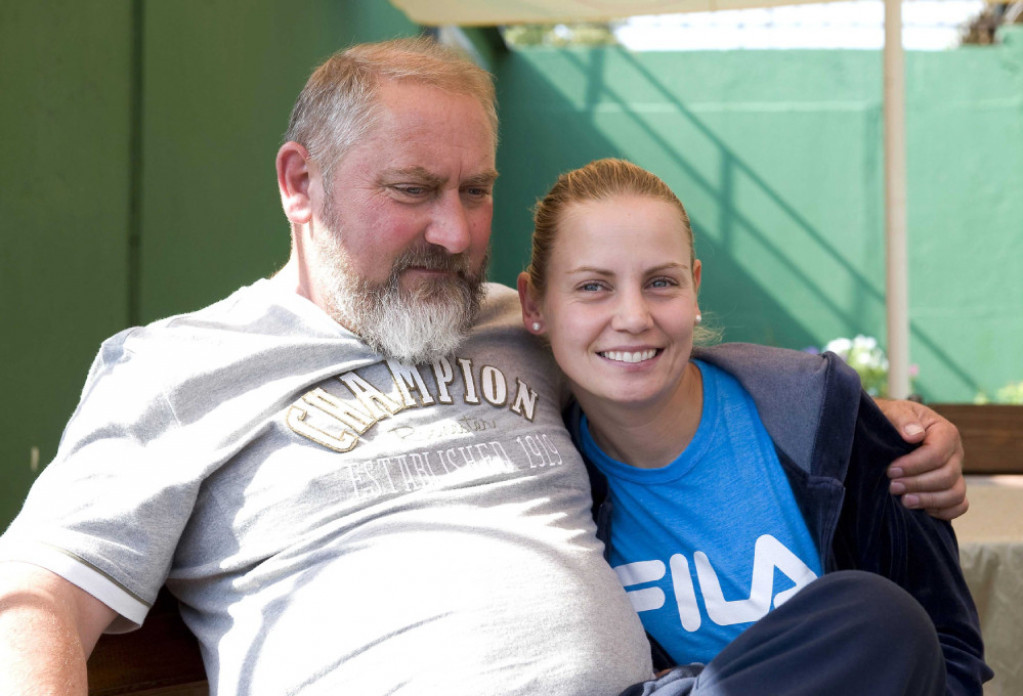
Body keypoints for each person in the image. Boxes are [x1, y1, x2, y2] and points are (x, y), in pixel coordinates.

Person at [0, 39, 967, 696]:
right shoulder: (179, 368)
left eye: (475, 190)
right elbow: (38, 597)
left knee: (871, 621)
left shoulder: (521, 321)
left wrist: (874, 416)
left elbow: (651, 346)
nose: (455, 232)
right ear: (300, 183)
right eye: (412, 190)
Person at [516, 158, 991, 696]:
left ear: (694, 290)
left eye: (661, 283)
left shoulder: (824, 421)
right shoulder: (539, 485)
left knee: (880, 615)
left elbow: (950, 654)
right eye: (593, 287)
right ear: (534, 304)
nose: (633, 317)